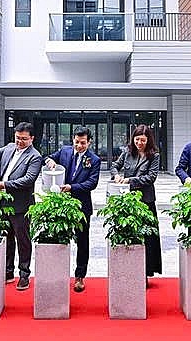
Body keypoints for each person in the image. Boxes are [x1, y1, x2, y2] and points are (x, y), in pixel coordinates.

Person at [0, 122, 42, 291]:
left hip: (21, 205)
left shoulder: (35, 156)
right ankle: (8, 272)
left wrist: (5, 185)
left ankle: (24, 274)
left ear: (32, 139)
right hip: (2, 203)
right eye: (17, 138)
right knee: (5, 238)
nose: (20, 142)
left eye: (24, 139)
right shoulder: (9, 147)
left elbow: (28, 179)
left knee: (23, 241)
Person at [44, 126, 101, 293]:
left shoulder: (94, 160)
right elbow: (46, 157)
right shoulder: (64, 151)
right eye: (76, 142)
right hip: (61, 205)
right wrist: (50, 161)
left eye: (83, 143)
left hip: (82, 206)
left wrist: (72, 187)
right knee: (58, 237)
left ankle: (80, 276)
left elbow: (92, 183)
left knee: (82, 242)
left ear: (89, 142)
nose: (79, 146)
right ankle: (57, 274)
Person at [111, 124, 161, 283]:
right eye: (137, 139)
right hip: (128, 201)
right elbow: (114, 166)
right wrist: (116, 175)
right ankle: (129, 270)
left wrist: (130, 181)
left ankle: (145, 272)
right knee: (129, 234)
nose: (139, 143)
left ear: (148, 140)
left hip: (146, 201)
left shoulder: (154, 156)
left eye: (143, 140)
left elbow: (151, 178)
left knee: (147, 237)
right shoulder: (127, 152)